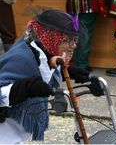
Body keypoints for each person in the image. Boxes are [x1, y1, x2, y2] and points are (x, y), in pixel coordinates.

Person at [0, 9, 90, 144]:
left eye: (74, 40)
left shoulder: (41, 49)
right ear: (50, 37)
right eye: (67, 40)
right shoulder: (21, 58)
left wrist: (70, 71)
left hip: (16, 130)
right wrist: (26, 87)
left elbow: (45, 70)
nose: (74, 45)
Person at [66, 0, 107, 72]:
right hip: (87, 4)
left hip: (73, 4)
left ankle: (72, 63)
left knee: (73, 33)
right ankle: (81, 64)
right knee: (85, 34)